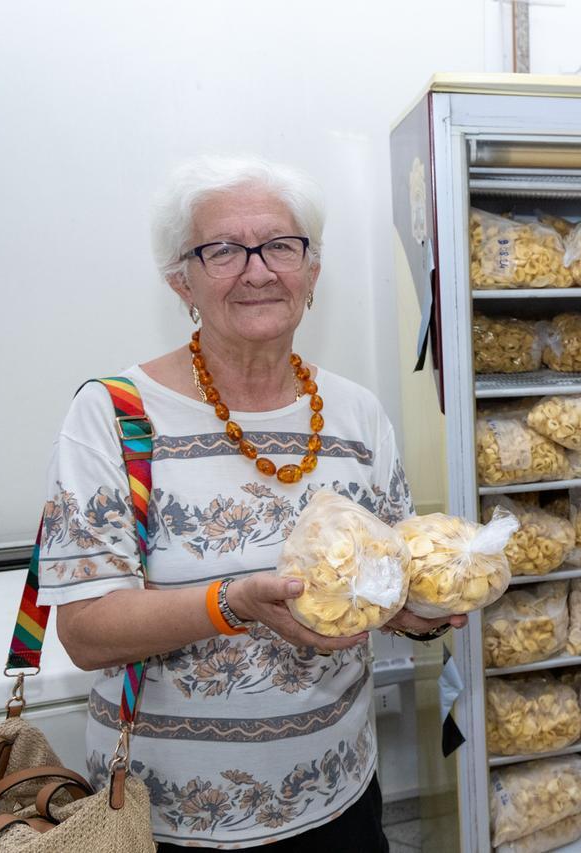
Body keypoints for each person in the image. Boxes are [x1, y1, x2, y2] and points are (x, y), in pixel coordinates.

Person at [36, 155, 457, 850]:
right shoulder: (114, 415)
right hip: (166, 821)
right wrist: (230, 602)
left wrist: (421, 612)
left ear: (311, 271)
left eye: (280, 246)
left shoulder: (357, 414)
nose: (258, 270)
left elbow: (390, 579)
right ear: (183, 279)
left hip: (338, 800)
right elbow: (84, 629)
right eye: (224, 250)